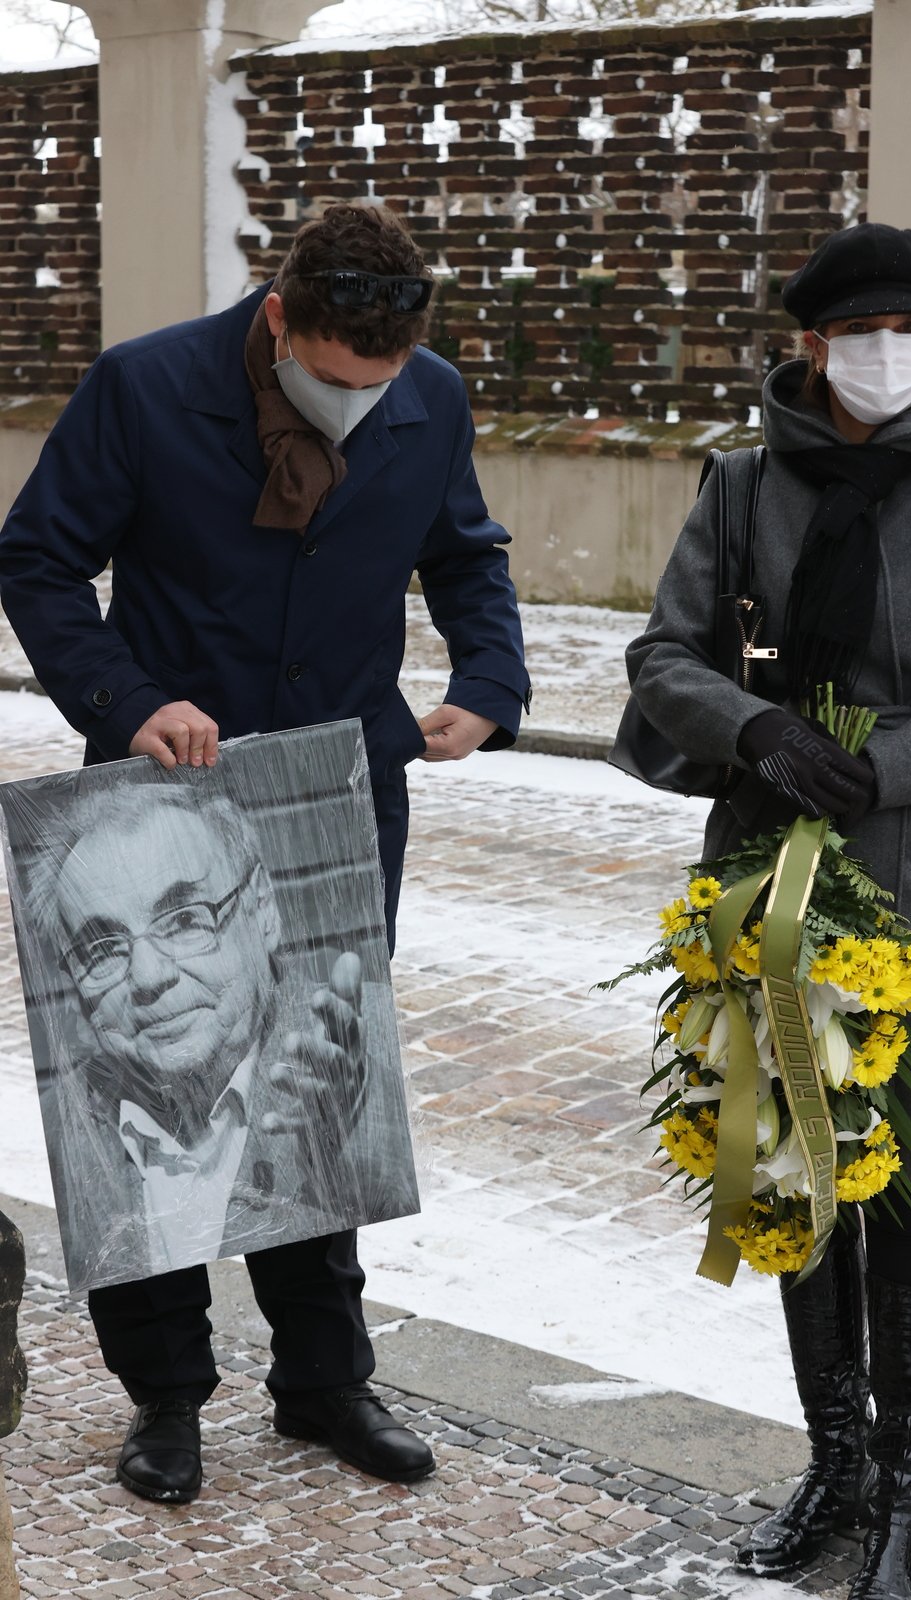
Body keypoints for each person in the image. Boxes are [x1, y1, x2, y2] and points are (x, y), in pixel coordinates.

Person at [0, 202, 529, 1503]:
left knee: (315, 1078)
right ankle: (167, 1396)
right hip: (157, 782)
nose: (358, 406)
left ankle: (325, 1383)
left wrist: (490, 676)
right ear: (279, 319)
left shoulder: (432, 396)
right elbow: (40, 561)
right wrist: (128, 702)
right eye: (334, 380)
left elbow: (465, 553)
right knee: (145, 1093)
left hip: (338, 790)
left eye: (382, 382)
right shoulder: (145, 385)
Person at [626, 223, 911, 1599]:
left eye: (909, 326)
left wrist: (889, 766)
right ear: (809, 345)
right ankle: (836, 1468)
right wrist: (754, 731)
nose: (889, 352)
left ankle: (906, 1510)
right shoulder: (742, 481)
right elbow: (660, 653)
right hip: (765, 876)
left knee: (906, 1191)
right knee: (795, 1189)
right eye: (859, 328)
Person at [26, 783, 398, 1292]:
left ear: (262, 908)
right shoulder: (61, 1122)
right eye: (102, 950)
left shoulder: (361, 1047)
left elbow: (403, 1194)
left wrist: (347, 1139)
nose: (149, 976)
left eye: (184, 920)